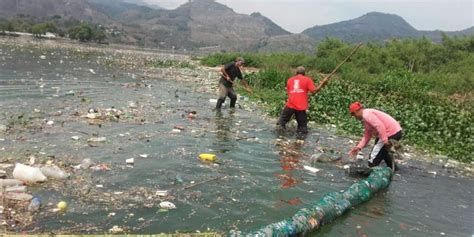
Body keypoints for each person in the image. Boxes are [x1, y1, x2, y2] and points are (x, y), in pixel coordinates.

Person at [348, 101, 403, 171]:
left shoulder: (366, 115)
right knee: (382, 150)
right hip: (396, 131)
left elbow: (380, 126)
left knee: (373, 158)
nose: (355, 117)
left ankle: (372, 169)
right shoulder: (366, 117)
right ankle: (393, 168)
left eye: (354, 115)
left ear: (356, 111)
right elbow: (367, 134)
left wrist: (385, 141)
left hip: (391, 132)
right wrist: (359, 147)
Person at [277, 66, 329, 136]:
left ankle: (280, 136)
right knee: (302, 128)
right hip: (301, 107)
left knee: (281, 123)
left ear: (296, 73)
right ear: (304, 73)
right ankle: (300, 141)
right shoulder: (307, 79)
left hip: (290, 105)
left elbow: (291, 93)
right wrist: (323, 83)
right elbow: (314, 91)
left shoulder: (289, 80)